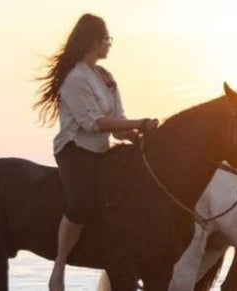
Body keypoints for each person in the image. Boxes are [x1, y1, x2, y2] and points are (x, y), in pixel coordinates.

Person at [33, 13, 158, 291]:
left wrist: (140, 136)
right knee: (80, 202)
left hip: (101, 150)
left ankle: (125, 260)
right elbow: (93, 123)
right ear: (93, 42)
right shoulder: (75, 78)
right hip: (76, 150)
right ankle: (60, 264)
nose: (109, 45)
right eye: (106, 39)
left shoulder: (106, 77)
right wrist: (137, 123)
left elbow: (117, 127)